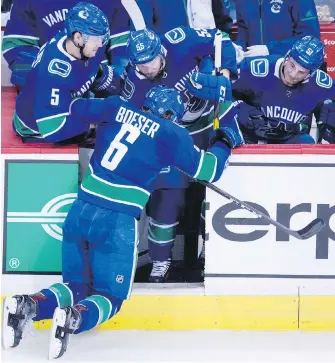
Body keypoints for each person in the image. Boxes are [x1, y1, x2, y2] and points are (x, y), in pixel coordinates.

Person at [2, 85, 244, 359]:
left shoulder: (116, 106)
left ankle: (27, 304)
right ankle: (73, 319)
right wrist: (225, 140)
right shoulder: (172, 134)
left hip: (80, 211)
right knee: (111, 297)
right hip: (115, 222)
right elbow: (209, 170)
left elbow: (75, 107)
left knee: (76, 287)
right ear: (171, 115)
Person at [118, 26, 237, 282]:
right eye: (141, 65)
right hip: (171, 140)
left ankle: (212, 253)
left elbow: (220, 38)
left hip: (205, 127)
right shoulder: (133, 85)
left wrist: (225, 73)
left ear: (161, 51)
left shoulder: (180, 41)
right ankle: (160, 260)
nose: (147, 69)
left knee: (211, 193)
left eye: (151, 61)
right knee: (166, 200)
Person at [12, 2, 124, 143]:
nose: (101, 44)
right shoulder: (55, 72)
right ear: (78, 37)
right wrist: (94, 125)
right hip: (36, 126)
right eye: (96, 39)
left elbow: (92, 69)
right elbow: (53, 129)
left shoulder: (74, 42)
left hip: (66, 102)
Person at [211, 36, 335, 144]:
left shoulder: (322, 84)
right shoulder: (257, 68)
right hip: (250, 137)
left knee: (307, 142)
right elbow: (219, 89)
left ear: (311, 74)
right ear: (287, 56)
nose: (293, 74)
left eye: (301, 72)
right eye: (292, 65)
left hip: (290, 141)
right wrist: (241, 110)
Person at [2, 0, 130, 88]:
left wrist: (110, 78)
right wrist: (48, 78)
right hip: (49, 91)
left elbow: (122, 48)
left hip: (98, 93)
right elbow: (17, 48)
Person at [235, 0, 320, 57]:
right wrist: (238, 48)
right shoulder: (242, 2)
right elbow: (243, 30)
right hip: (254, 67)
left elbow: (310, 38)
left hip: (289, 68)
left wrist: (270, 49)